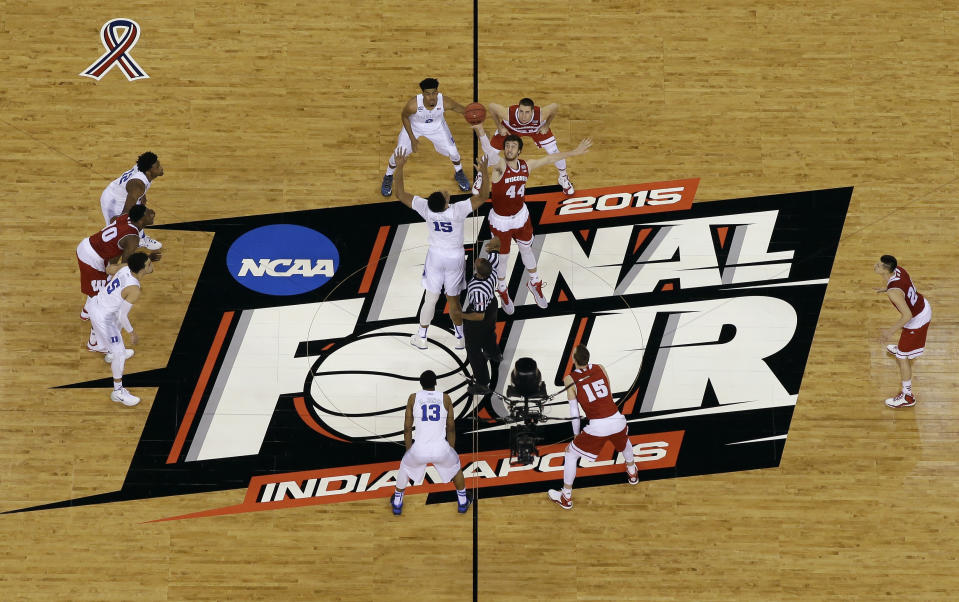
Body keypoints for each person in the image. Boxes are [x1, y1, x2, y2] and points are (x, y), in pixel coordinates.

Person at [472, 123, 592, 313]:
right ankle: (502, 289)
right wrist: (479, 129)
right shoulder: (499, 167)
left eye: (513, 146)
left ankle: (534, 283)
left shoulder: (527, 165)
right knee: (503, 257)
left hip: (520, 216)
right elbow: (488, 149)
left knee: (526, 249)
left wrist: (574, 152)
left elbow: (550, 157)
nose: (509, 148)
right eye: (507, 146)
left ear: (519, 150)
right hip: (501, 221)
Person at [392, 147, 490, 350]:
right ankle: (461, 339)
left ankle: (422, 337)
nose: (446, 194)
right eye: (445, 196)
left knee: (431, 298)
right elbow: (483, 197)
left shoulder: (426, 208)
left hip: (436, 257)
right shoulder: (457, 210)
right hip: (454, 257)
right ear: (446, 204)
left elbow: (400, 194)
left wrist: (399, 167)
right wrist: (485, 172)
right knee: (453, 300)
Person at [547, 344, 639, 510]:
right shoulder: (600, 368)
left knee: (570, 453)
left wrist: (576, 433)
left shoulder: (569, 379)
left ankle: (565, 497)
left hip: (597, 426)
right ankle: (632, 472)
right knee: (624, 440)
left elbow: (574, 412)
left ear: (574, 360)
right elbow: (608, 395)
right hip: (617, 418)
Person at [77, 205, 160, 350]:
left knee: (99, 287)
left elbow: (115, 224)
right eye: (148, 213)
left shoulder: (126, 217)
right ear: (141, 220)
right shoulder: (132, 239)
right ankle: (94, 342)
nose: (152, 213)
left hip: (89, 246)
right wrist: (146, 259)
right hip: (92, 259)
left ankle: (86, 312)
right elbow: (126, 265)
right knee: (102, 299)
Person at [391, 370, 471, 515]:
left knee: (405, 467)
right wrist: (450, 450)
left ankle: (397, 502)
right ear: (435, 382)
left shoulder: (413, 398)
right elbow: (451, 428)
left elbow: (407, 428)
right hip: (440, 449)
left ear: (420, 384)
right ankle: (463, 502)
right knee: (455, 468)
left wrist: (409, 451)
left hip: (419, 449)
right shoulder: (445, 398)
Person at [381, 78, 471, 197]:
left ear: (437, 92)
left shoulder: (445, 102)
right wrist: (412, 139)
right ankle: (388, 175)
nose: (432, 97)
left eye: (434, 93)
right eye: (428, 94)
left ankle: (459, 172)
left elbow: (459, 109)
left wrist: (473, 114)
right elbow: (404, 117)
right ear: (423, 94)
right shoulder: (413, 105)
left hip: (437, 128)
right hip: (414, 128)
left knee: (453, 151)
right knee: (399, 153)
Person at [86, 251, 154, 407]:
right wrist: (132, 333)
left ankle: (110, 353)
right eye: (149, 264)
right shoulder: (134, 290)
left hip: (97, 303)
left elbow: (110, 270)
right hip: (103, 317)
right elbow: (124, 316)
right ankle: (118, 392)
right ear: (141, 270)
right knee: (120, 353)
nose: (152, 266)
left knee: (116, 317)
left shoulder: (125, 269)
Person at [875, 255, 932, 408]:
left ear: (887, 270)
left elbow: (907, 316)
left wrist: (889, 332)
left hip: (917, 318)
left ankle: (907, 396)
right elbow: (903, 286)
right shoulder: (899, 270)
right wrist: (886, 288)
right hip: (922, 304)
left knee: (902, 358)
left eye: (879, 266)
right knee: (902, 349)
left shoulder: (894, 292)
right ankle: (902, 348)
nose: (876, 266)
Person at [486, 98, 576, 195]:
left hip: (535, 129)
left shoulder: (540, 115)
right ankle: (480, 175)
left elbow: (554, 106)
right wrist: (499, 127)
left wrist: (546, 125)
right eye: (521, 111)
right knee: (491, 152)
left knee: (554, 151)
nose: (523, 116)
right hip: (511, 128)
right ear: (518, 109)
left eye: (527, 112)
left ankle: (563, 177)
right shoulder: (509, 114)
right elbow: (491, 106)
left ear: (532, 111)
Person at [461, 239, 503, 395]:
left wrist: (461, 314)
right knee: (489, 332)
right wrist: (494, 245)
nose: (479, 259)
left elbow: (478, 316)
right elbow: (496, 250)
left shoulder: (478, 289)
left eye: (479, 261)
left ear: (478, 271)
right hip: (491, 303)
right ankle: (494, 353)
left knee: (473, 349)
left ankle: (482, 383)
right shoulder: (491, 269)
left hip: (480, 311)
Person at [99, 151, 164, 250]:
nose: (161, 168)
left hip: (122, 193)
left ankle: (141, 239)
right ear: (148, 171)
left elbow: (134, 186)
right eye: (157, 166)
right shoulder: (138, 186)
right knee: (119, 229)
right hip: (114, 203)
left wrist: (142, 195)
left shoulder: (142, 168)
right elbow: (126, 212)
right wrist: (119, 224)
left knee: (139, 216)